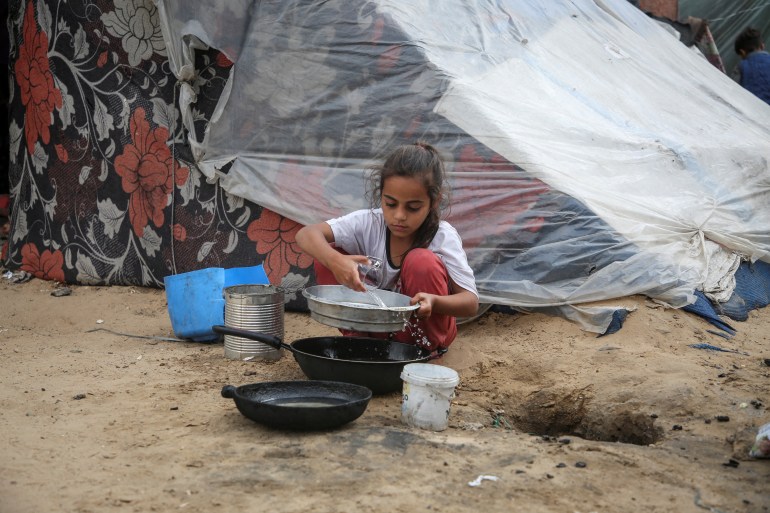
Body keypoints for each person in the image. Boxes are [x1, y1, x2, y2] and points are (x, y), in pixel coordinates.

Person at [295, 142, 479, 352]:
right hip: (376, 327)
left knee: (421, 261)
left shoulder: (442, 236)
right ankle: (359, 341)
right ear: (381, 195)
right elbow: (306, 234)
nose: (399, 216)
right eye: (390, 204)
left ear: (434, 201)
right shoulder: (369, 223)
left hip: (420, 329)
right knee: (327, 254)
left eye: (413, 207)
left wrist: (435, 302)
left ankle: (426, 352)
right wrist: (336, 261)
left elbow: (470, 302)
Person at [733, 27, 770, 105]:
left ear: (742, 52)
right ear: (762, 46)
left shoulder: (740, 67)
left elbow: (734, 92)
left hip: (752, 112)